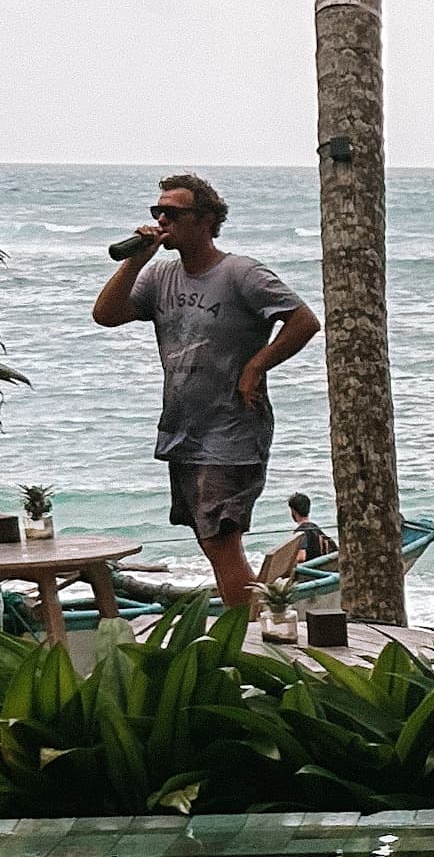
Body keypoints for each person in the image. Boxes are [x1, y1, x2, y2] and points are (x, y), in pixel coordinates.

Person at [91, 174, 320, 606]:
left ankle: (252, 637)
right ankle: (257, 626)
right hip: (183, 429)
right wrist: (136, 260)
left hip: (232, 429)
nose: (161, 219)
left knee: (221, 542)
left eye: (172, 213)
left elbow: (303, 320)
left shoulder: (241, 274)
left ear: (207, 220)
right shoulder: (159, 277)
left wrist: (256, 365)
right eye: (156, 212)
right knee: (210, 541)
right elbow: (106, 314)